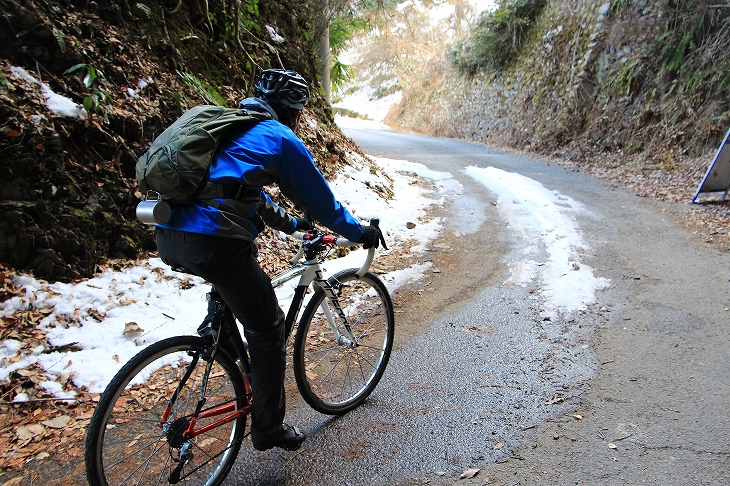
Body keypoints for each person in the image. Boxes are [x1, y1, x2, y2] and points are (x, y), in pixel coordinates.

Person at [155, 69, 380, 451]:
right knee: (268, 327)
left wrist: (292, 225)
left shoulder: (225, 129)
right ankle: (268, 428)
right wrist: (359, 232)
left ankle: (224, 351)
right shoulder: (279, 136)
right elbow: (320, 200)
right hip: (215, 244)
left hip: (170, 233)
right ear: (294, 112)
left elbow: (247, 195)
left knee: (233, 299)